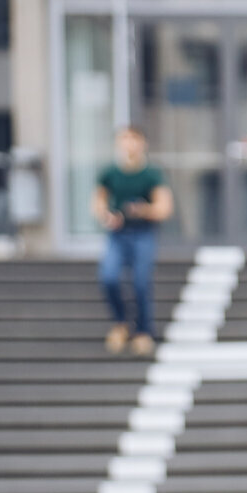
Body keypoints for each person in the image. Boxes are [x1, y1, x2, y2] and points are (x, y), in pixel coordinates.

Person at [93, 126, 173, 356]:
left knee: (140, 282)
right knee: (108, 277)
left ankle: (143, 331)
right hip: (117, 234)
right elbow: (98, 201)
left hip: (142, 233)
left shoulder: (152, 174)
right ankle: (121, 323)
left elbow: (164, 208)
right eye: (125, 139)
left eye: (133, 139)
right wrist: (106, 216)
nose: (129, 144)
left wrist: (142, 210)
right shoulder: (110, 173)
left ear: (142, 143)